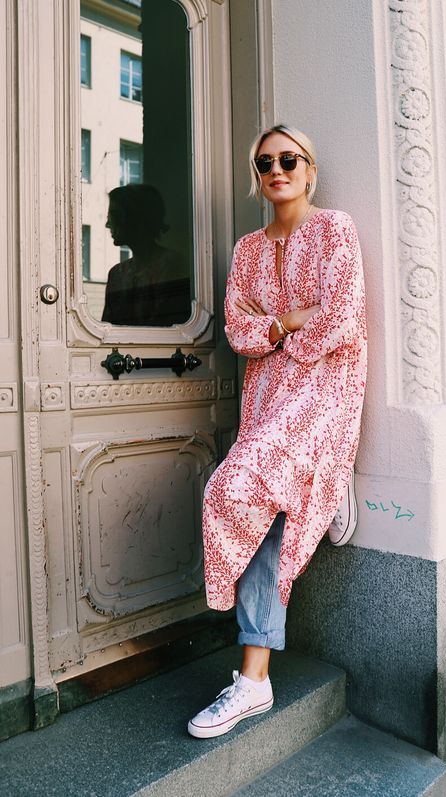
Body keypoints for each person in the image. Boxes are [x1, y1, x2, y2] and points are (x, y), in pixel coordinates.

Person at [187, 124, 367, 738]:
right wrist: (288, 321)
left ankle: (253, 678)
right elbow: (238, 331)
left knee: (235, 487)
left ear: (309, 169)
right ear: (257, 176)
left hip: (325, 393)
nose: (277, 169)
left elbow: (342, 320)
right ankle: (255, 677)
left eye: (289, 159)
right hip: (266, 399)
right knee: (259, 502)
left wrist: (277, 332)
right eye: (266, 162)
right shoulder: (246, 249)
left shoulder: (334, 229)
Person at [102, 183, 190, 326]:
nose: (107, 224)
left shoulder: (171, 265)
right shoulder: (116, 274)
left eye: (114, 215)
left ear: (135, 218)